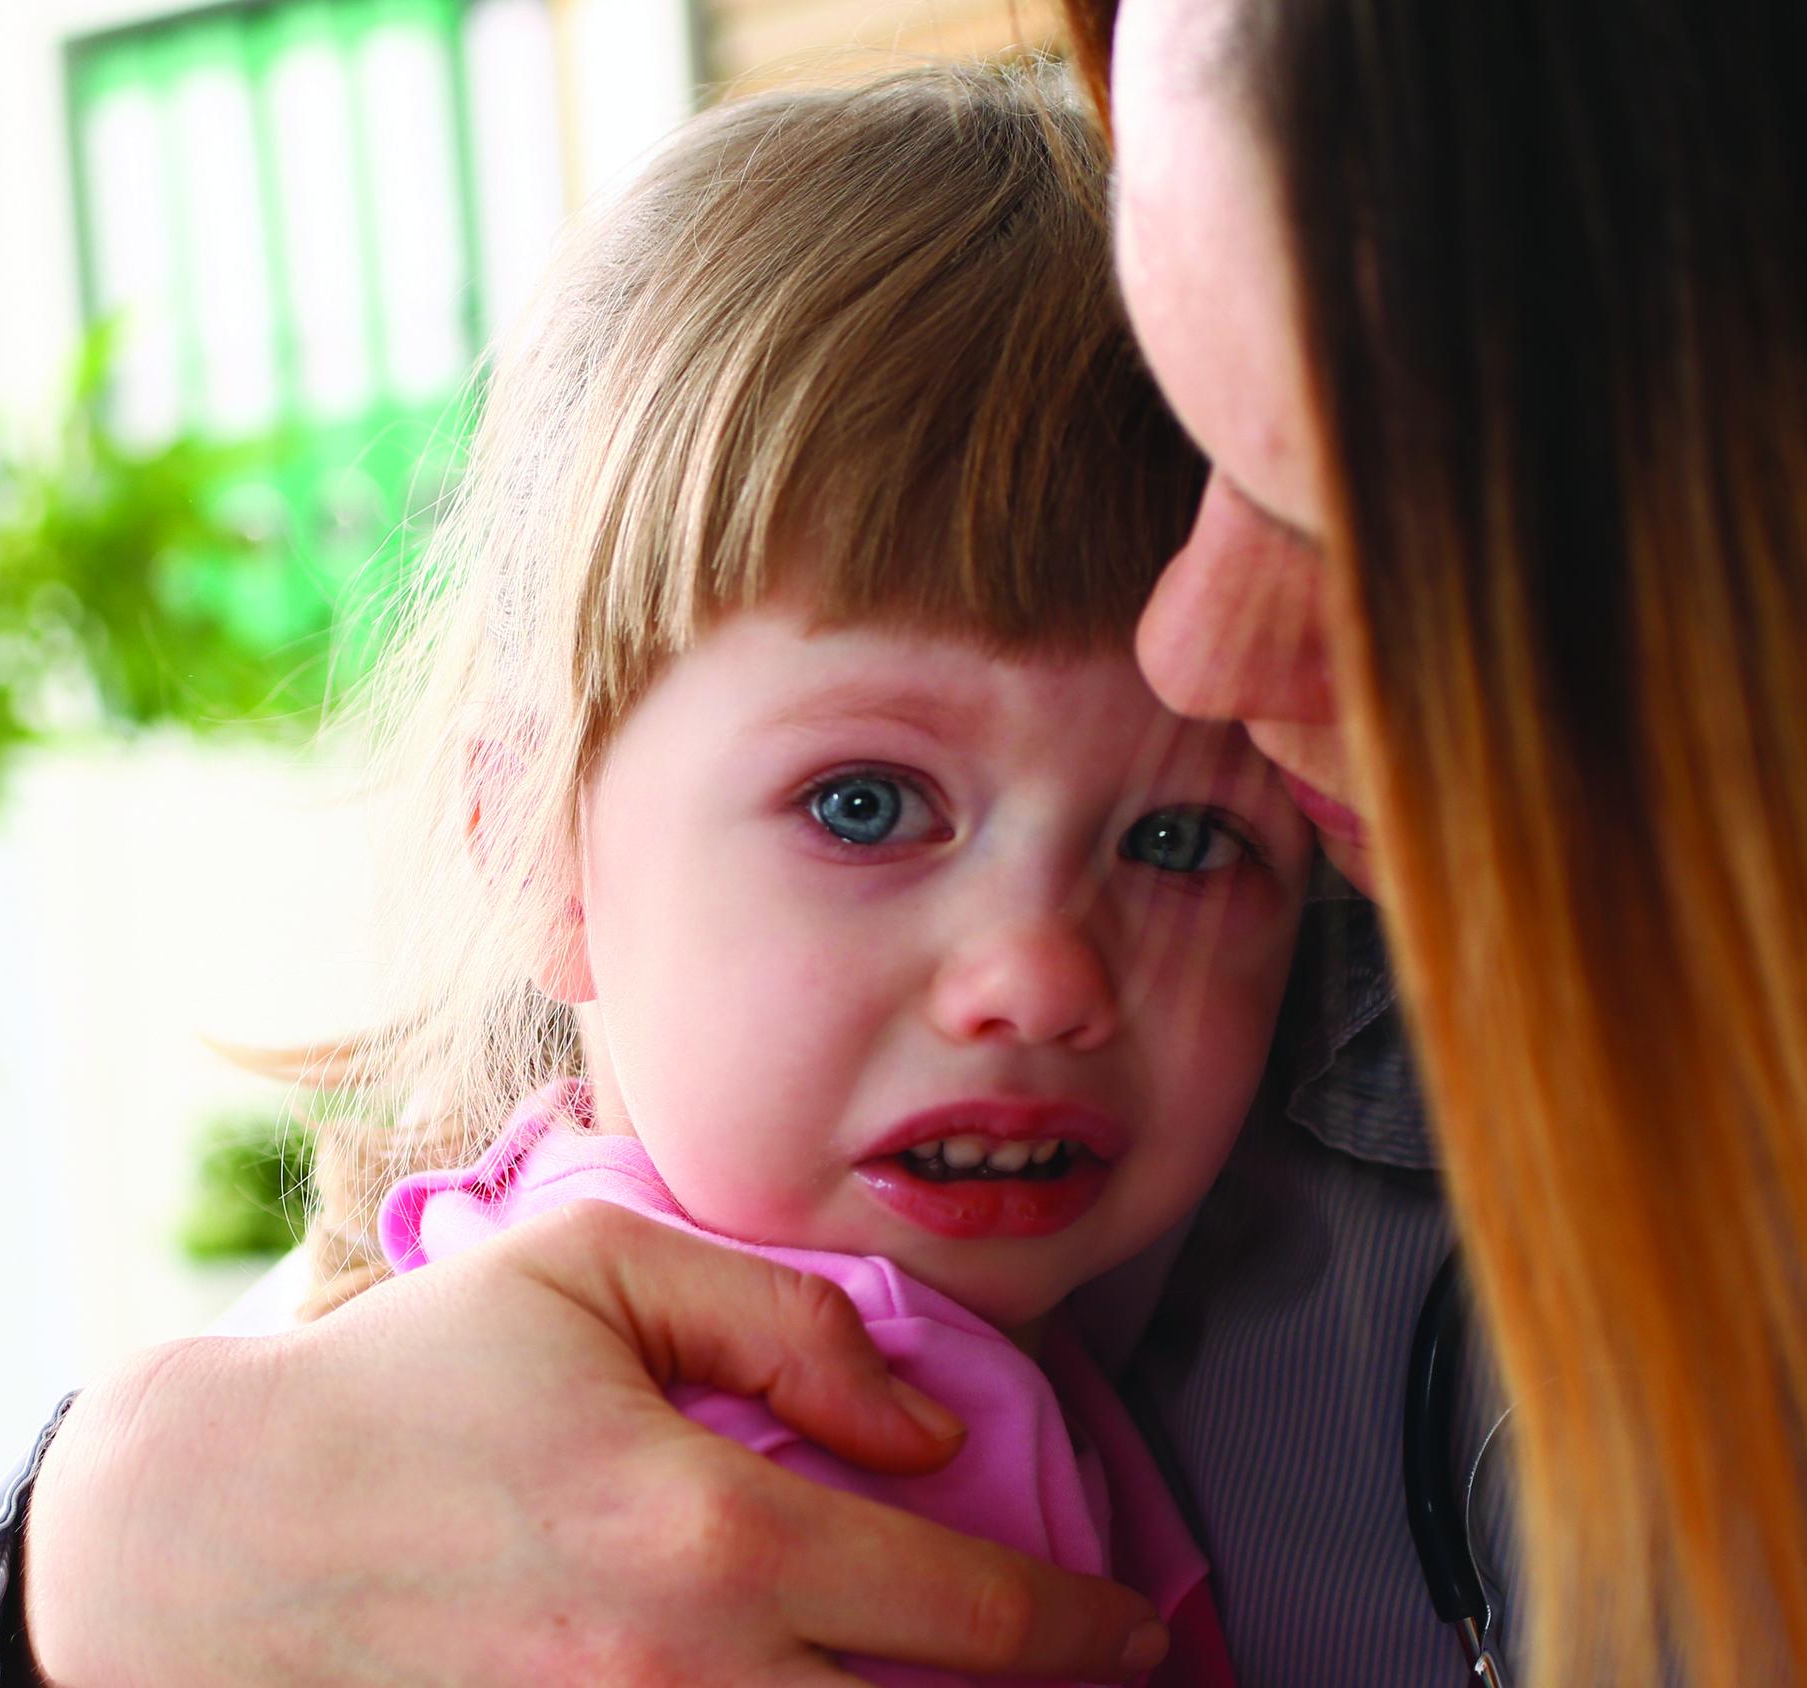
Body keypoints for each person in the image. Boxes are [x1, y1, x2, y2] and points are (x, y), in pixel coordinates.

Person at [0, 0, 1807, 1680]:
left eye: (1367, 497)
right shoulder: (566, 1387)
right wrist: (80, 1587)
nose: (1212, 665)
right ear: (530, 834)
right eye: (865, 803)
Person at [272, 63, 1308, 1685]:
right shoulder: (664, 1462)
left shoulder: (987, 1348)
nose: (1041, 975)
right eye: (868, 806)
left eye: (1178, 839)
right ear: (538, 839)